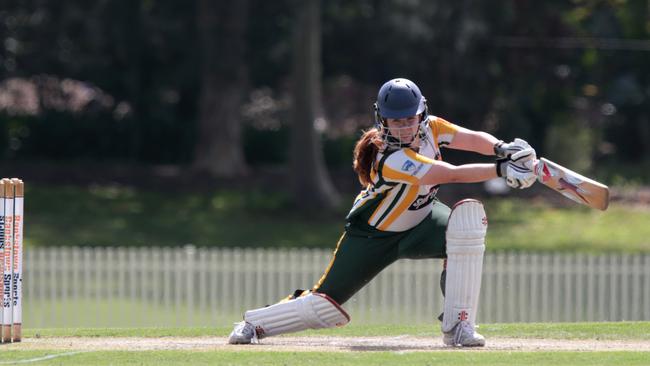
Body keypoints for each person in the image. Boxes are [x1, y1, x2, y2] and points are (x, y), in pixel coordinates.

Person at [228, 78, 537, 347]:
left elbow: (469, 138)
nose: (403, 127)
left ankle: (459, 327)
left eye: (409, 119)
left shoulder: (432, 128)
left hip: (424, 222)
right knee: (325, 305)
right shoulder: (390, 158)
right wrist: (502, 169)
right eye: (395, 121)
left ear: (421, 114)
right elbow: (449, 173)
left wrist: (502, 147)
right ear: (382, 120)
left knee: (465, 230)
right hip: (372, 236)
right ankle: (255, 322)